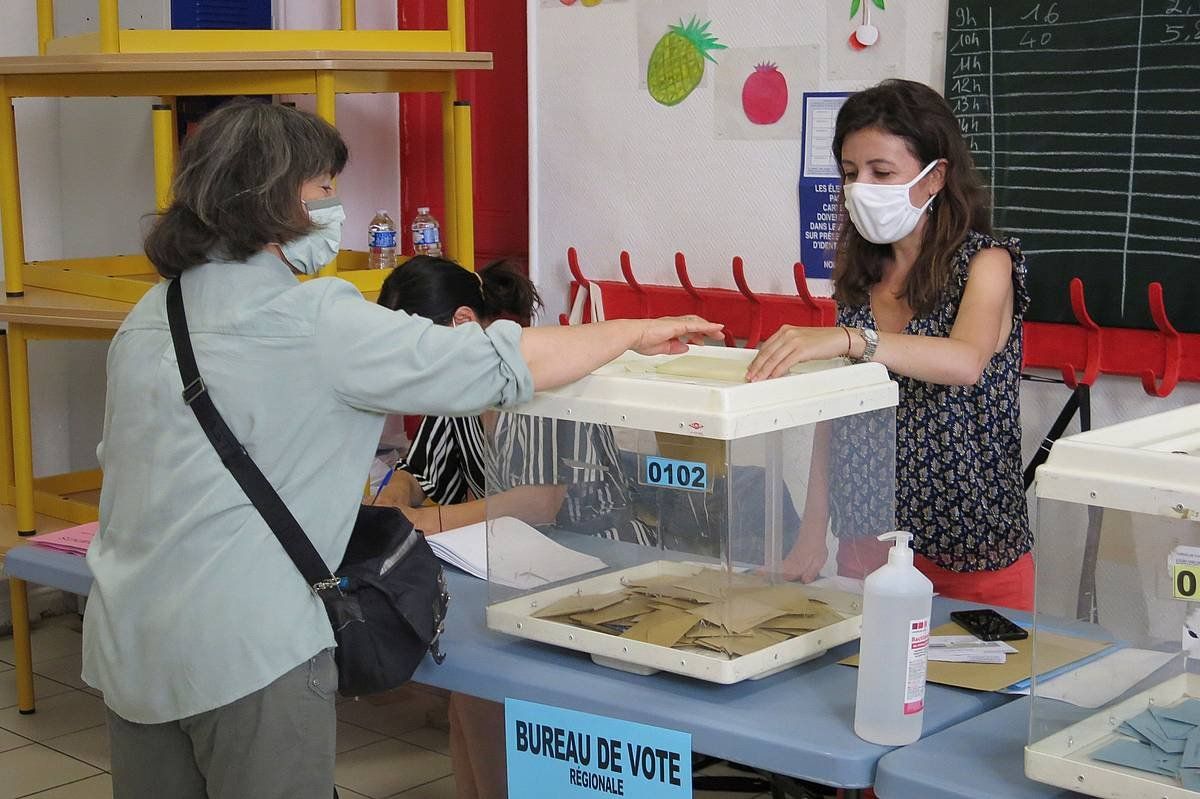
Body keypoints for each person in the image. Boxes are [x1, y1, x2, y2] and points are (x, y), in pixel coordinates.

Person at [81, 99, 721, 799]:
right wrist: (630, 332)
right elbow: (499, 362)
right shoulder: (317, 322)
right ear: (278, 202)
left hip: (128, 643)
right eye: (325, 187)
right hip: (248, 655)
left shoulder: (149, 316)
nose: (336, 205)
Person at [746, 79, 1033, 611]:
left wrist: (853, 339)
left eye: (882, 172)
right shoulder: (860, 274)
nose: (861, 188)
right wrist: (813, 534)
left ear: (934, 178)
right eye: (851, 174)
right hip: (868, 538)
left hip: (971, 545)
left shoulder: (985, 262)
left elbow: (964, 360)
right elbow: (838, 412)